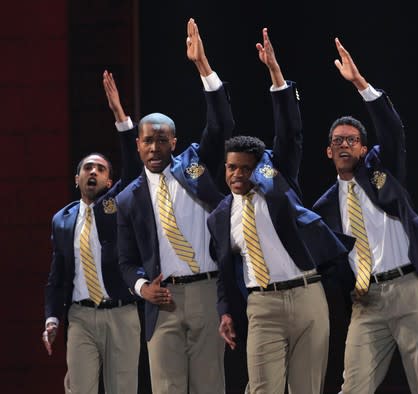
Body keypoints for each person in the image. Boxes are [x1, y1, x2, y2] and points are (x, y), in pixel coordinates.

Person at [206, 28, 348, 394]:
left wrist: (276, 75)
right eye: (230, 167)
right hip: (262, 306)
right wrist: (224, 310)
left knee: (307, 388)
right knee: (262, 389)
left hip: (307, 296)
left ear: (259, 166)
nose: (237, 174)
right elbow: (224, 270)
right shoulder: (220, 215)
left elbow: (290, 132)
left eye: (245, 167)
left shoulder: (278, 180)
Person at [312, 37, 418, 394]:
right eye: (337, 141)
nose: (344, 144)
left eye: (352, 140)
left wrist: (360, 83)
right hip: (366, 301)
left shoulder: (382, 172)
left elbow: (392, 130)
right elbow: (328, 262)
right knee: (352, 388)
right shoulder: (323, 208)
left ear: (365, 149)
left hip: (409, 289)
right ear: (327, 151)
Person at [115, 18, 235, 394]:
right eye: (148, 141)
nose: (155, 148)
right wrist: (139, 288)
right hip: (161, 299)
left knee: (210, 386)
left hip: (206, 290)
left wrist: (203, 67)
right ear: (138, 145)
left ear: (175, 142)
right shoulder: (127, 198)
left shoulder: (195, 165)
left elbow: (221, 126)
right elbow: (125, 259)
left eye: (162, 140)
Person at [42, 70, 143, 394]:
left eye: (100, 169)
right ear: (77, 179)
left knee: (123, 389)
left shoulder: (116, 204)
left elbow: (132, 168)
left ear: (109, 182)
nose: (93, 172)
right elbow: (57, 276)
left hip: (121, 313)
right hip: (81, 316)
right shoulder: (62, 219)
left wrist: (119, 115)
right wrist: (52, 318)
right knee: (80, 389)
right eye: (88, 167)